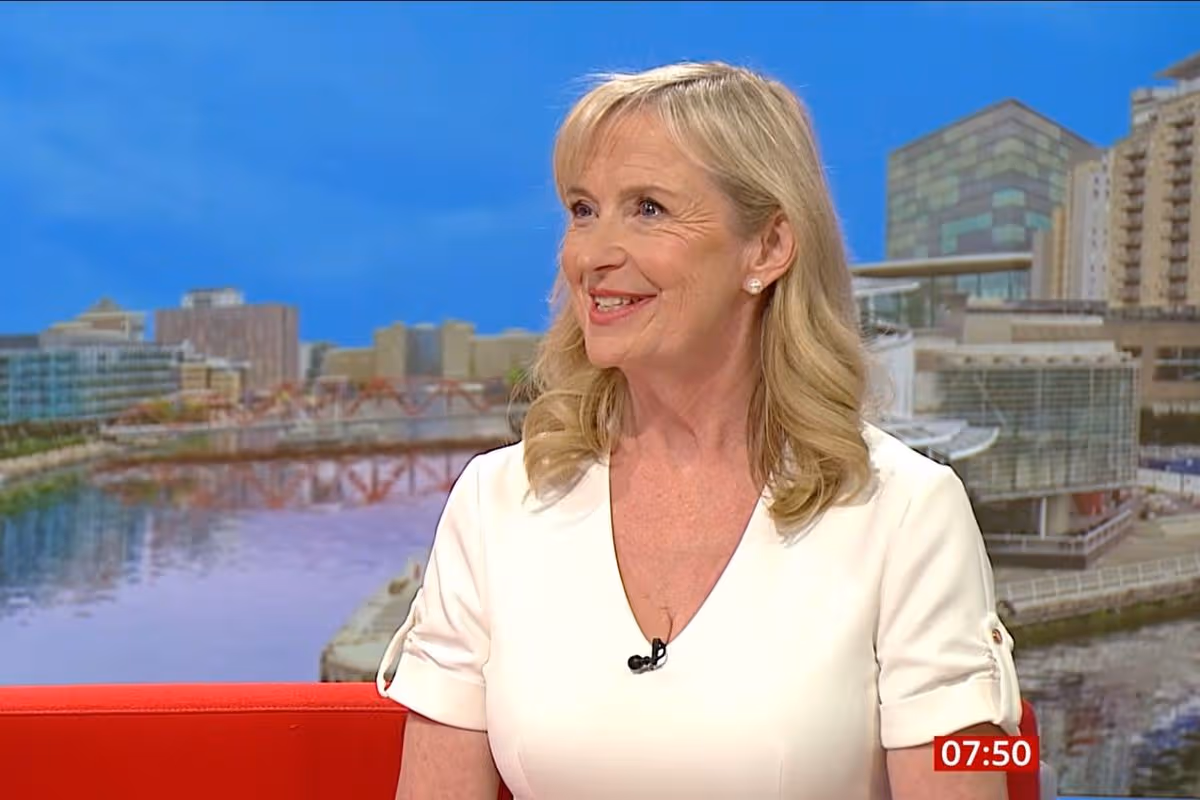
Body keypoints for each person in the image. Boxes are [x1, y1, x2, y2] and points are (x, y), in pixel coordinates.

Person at [377, 61, 1022, 800]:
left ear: (768, 248)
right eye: (583, 209)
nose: (592, 254)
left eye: (648, 209)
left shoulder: (908, 511)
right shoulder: (496, 502)